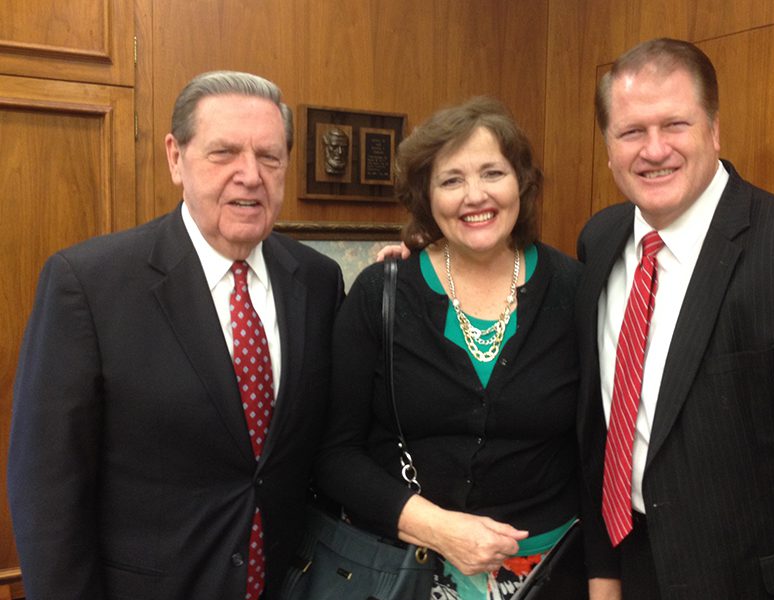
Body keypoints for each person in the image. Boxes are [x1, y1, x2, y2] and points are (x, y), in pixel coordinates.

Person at [576, 38, 774, 599]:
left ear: (714, 130)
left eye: (675, 125)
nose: (654, 150)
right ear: (608, 148)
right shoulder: (599, 241)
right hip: (632, 568)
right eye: (632, 132)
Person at [7, 70, 344, 599]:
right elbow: (47, 490)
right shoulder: (89, 284)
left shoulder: (319, 282)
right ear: (175, 157)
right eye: (224, 152)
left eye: (269, 156)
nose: (250, 175)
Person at [315, 97, 587, 599]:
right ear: (426, 196)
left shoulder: (574, 290)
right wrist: (440, 529)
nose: (474, 196)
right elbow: (334, 454)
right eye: (451, 180)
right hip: (406, 571)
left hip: (552, 576)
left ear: (521, 183)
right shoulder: (381, 292)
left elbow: (599, 447)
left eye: (492, 173)